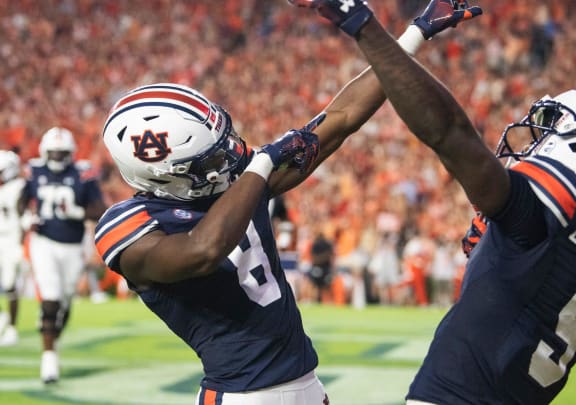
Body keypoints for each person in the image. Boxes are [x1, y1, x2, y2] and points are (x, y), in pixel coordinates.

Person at [93, 3, 480, 403]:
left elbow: (340, 118)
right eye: (209, 158)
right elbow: (201, 250)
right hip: (241, 395)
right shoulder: (129, 228)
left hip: (306, 385)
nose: (229, 154)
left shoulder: (235, 178)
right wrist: (260, 166)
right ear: (160, 173)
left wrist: (414, 34)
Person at [292, 1, 576, 403]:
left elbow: (450, 132)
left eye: (556, 132)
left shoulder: (557, 207)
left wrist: (362, 24)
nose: (540, 143)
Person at [19, 127, 107, 383]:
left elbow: (99, 209)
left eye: (62, 153)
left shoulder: (83, 173)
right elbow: (21, 200)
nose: (57, 158)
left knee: (65, 301)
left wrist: (77, 213)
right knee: (51, 299)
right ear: (45, 152)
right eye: (53, 153)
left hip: (73, 245)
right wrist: (26, 217)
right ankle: (49, 360)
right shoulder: (33, 170)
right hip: (43, 242)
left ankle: (51, 338)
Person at [0, 150, 26, 347]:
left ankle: (12, 328)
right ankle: (3, 316)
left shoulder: (18, 187)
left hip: (11, 239)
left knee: (10, 286)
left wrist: (22, 242)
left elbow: (23, 212)